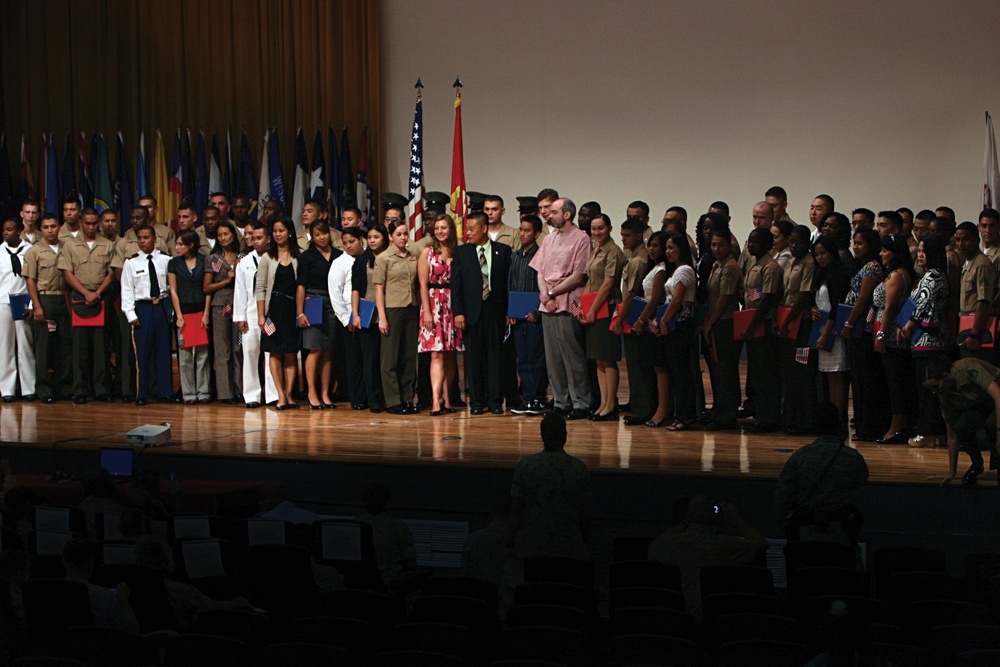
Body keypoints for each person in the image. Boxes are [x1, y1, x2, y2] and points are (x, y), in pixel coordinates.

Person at [647, 494, 767, 621]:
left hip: (671, 617)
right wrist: (735, 518)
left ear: (687, 515)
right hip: (710, 618)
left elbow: (656, 543)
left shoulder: (665, 543)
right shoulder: (723, 545)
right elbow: (761, 544)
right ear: (714, 518)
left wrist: (687, 520)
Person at [532, 198, 593, 419]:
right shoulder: (548, 239)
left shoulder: (581, 239)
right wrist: (544, 294)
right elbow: (540, 270)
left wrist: (552, 293)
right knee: (553, 357)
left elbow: (578, 276)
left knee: (572, 356)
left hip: (567, 301)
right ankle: (560, 401)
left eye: (554, 212)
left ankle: (581, 403)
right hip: (548, 303)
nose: (550, 215)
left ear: (567, 214)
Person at [775, 401, 868, 544]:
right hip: (842, 531)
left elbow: (784, 497)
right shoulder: (853, 458)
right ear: (838, 423)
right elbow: (861, 485)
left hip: (805, 530)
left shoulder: (800, 457)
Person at [506, 413, 592, 563]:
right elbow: (584, 510)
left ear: (542, 435)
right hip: (568, 542)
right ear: (565, 435)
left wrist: (510, 540)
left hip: (532, 542)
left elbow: (516, 508)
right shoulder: (577, 468)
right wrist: (585, 540)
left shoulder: (526, 465)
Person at [59, 207, 115, 403]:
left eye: (94, 223)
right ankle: (81, 391)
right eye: (87, 223)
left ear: (98, 223)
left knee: (101, 347)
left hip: (101, 296)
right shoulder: (70, 246)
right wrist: (86, 293)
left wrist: (97, 293)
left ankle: (101, 390)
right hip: (80, 296)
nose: (91, 227)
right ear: (81, 223)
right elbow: (67, 272)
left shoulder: (107, 244)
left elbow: (111, 273)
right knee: (80, 347)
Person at [901, 235, 952, 448]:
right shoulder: (934, 275)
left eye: (924, 250)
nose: (920, 254)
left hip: (928, 340)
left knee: (927, 390)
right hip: (928, 340)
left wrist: (907, 326)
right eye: (919, 250)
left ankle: (928, 433)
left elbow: (920, 306)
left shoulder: (933, 276)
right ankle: (935, 433)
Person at [840, 228, 890, 441]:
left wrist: (849, 324)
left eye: (860, 243)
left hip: (865, 328)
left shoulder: (872, 267)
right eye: (854, 242)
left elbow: (862, 299)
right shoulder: (861, 265)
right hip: (858, 328)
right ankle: (862, 426)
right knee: (858, 380)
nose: (855, 247)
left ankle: (869, 427)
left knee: (867, 379)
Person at [872, 233, 917, 444]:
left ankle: (897, 427)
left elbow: (889, 309)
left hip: (891, 336)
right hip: (890, 334)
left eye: (885, 250)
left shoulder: (897, 276)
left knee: (896, 383)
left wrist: (881, 334)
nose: (881, 254)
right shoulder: (897, 273)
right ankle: (898, 425)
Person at [417, 213, 463, 415]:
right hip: (433, 304)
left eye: (443, 227)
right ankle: (435, 400)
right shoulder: (427, 252)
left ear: (451, 229)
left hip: (453, 304)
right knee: (436, 353)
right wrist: (427, 312)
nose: (440, 231)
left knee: (450, 354)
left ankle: (448, 399)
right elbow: (422, 284)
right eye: (437, 228)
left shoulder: (458, 252)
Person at [121, 226, 173, 406]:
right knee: (142, 354)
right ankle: (141, 393)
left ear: (154, 239)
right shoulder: (131, 263)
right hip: (142, 308)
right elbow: (127, 290)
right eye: (140, 238)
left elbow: (172, 287)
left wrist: (171, 312)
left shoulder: (166, 260)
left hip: (161, 307)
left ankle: (165, 392)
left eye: (146, 237)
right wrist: (130, 314)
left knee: (163, 351)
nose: (143, 241)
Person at [579, 213, 624, 420]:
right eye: (594, 229)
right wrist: (583, 304)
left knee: (607, 358)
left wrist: (593, 309)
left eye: (601, 228)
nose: (596, 232)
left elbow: (607, 285)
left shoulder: (613, 251)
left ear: (610, 228)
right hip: (593, 308)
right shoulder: (596, 248)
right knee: (598, 358)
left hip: (606, 307)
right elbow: (590, 279)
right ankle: (603, 403)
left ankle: (611, 404)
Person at [23, 214, 71, 403]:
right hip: (45, 298)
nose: (50, 230)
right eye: (45, 227)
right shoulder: (34, 251)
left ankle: (64, 387)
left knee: (65, 345)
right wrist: (37, 306)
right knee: (43, 347)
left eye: (53, 226)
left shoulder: (67, 247)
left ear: (59, 227)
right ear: (40, 229)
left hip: (65, 298)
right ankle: (44, 389)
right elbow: (30, 280)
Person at [740, 227, 783, 433]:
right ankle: (760, 414)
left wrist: (750, 326)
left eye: (755, 242)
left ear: (767, 244)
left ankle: (769, 418)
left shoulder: (770, 266)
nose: (751, 245)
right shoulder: (754, 264)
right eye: (749, 241)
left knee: (766, 373)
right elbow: (751, 294)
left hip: (762, 323)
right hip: (752, 321)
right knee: (756, 373)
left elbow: (767, 299)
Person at [375, 220, 420, 415]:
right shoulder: (384, 258)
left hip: (411, 308)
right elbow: (379, 289)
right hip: (392, 308)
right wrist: (382, 317)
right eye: (399, 234)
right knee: (390, 359)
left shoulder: (412, 256)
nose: (403, 237)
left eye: (405, 234)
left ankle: (407, 398)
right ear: (390, 236)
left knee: (409, 357)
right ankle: (393, 400)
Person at [296, 220, 342, 409]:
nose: (322, 237)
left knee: (328, 351)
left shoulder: (339, 255)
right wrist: (300, 312)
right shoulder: (307, 257)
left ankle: (325, 393)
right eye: (317, 234)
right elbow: (301, 286)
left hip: (334, 302)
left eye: (324, 233)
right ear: (312, 237)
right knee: (314, 349)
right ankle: (311, 392)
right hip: (313, 300)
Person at [931, 357, 1000, 485]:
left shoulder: (967, 367)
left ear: (945, 376)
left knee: (992, 425)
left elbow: (997, 394)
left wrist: (999, 431)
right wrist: (952, 472)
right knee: (962, 427)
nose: (934, 392)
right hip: (982, 402)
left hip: (997, 396)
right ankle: (977, 463)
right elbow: (952, 435)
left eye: (935, 386)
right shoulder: (944, 393)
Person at [256, 217, 301, 410]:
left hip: (292, 310)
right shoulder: (267, 258)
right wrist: (261, 316)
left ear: (289, 232)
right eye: (274, 231)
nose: (277, 234)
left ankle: (290, 395)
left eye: (281, 230)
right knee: (274, 352)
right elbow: (261, 287)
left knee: (291, 352)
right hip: (274, 309)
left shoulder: (300, 256)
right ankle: (280, 395)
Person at [778, 225, 817, 435]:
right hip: (788, 322)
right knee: (790, 372)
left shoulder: (809, 263)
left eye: (799, 242)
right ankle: (790, 417)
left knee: (803, 371)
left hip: (803, 324)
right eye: (791, 242)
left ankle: (806, 420)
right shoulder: (791, 261)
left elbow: (803, 297)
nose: (794, 246)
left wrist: (786, 322)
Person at [234, 222, 278, 408]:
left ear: (268, 239)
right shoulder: (244, 262)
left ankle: (273, 394)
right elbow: (240, 290)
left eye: (259, 238)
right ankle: (252, 395)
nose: (256, 241)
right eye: (253, 238)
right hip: (251, 313)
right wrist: (240, 317)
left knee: (271, 353)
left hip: (271, 313)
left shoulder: (275, 259)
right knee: (250, 352)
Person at [703, 227, 743, 430]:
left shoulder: (730, 267)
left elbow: (724, 298)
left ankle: (727, 415)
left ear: (729, 246)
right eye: (713, 245)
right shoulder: (717, 265)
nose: (716, 248)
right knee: (718, 370)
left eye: (720, 245)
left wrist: (710, 323)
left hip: (725, 322)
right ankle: (719, 410)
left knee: (726, 370)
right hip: (716, 321)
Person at [509, 215, 549, 416]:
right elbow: (511, 285)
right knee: (522, 358)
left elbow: (547, 287)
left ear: (537, 234)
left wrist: (537, 311)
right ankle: (527, 397)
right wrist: (510, 312)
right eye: (521, 230)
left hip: (535, 316)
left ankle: (538, 398)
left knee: (536, 358)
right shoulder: (515, 256)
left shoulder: (542, 256)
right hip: (518, 316)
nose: (523, 234)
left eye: (527, 230)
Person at [810, 235, 852, 431]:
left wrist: (826, 333)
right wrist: (813, 309)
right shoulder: (820, 274)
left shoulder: (839, 273)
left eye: (823, 253)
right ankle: (831, 419)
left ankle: (840, 418)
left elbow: (837, 305)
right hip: (821, 328)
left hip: (833, 331)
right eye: (816, 254)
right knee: (826, 375)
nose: (819, 258)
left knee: (837, 375)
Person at [657, 234, 697, 430]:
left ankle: (684, 415)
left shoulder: (685, 271)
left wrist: (664, 319)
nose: (668, 251)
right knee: (676, 370)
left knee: (681, 372)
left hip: (681, 324)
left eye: (672, 247)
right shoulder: (674, 271)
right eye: (666, 248)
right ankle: (679, 413)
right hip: (673, 324)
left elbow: (677, 299)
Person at [632, 232, 672, 426]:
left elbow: (655, 298)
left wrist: (640, 319)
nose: (651, 249)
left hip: (653, 321)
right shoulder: (654, 267)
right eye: (650, 245)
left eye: (656, 245)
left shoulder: (662, 269)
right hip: (647, 323)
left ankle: (662, 409)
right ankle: (651, 407)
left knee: (659, 367)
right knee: (650, 366)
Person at [167, 229, 211, 404]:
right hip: (183, 313)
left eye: (180, 244)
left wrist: (206, 313)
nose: (177, 247)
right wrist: (178, 315)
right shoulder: (174, 263)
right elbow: (173, 290)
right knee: (184, 355)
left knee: (202, 354)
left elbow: (208, 288)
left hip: (201, 311)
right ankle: (189, 393)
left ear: (191, 245)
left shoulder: (203, 260)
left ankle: (204, 391)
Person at [202, 221, 243, 405]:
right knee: (222, 348)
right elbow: (207, 286)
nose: (223, 238)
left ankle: (240, 389)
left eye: (226, 234)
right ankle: (226, 393)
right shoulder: (215, 259)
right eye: (220, 235)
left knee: (238, 347)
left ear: (233, 235)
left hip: (240, 304)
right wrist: (226, 280)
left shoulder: (243, 256)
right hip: (220, 305)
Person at [62, 537, 140, 632]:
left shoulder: (49, 592)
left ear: (64, 562)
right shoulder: (104, 596)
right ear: (91, 563)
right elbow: (133, 630)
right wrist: (124, 600)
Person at [329, 226, 369, 410]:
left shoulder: (369, 259)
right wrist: (346, 318)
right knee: (353, 360)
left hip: (369, 315)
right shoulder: (339, 263)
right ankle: (357, 397)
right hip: (349, 319)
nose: (348, 246)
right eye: (344, 243)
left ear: (361, 239)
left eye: (351, 242)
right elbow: (335, 294)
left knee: (369, 357)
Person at [355, 483, 419, 590]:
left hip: (359, 587)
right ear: (387, 503)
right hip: (390, 587)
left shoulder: (354, 525)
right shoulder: (398, 527)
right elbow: (411, 565)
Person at [354, 225, 388, 413]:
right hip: (368, 313)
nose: (372, 240)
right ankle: (373, 398)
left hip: (387, 313)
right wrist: (355, 313)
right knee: (370, 358)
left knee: (385, 360)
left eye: (376, 236)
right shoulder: (361, 261)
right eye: (369, 237)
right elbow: (356, 289)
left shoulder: (391, 257)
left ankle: (386, 397)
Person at [0, 217, 35, 402]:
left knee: (25, 345)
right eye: (4, 230)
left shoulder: (29, 250)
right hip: (3, 301)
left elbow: (32, 279)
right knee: (5, 346)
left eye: (10, 229)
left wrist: (31, 304)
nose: (6, 233)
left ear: (19, 230)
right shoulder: (0, 251)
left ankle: (29, 387)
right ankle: (7, 390)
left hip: (22, 300)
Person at [955, 220, 996, 362]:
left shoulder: (981, 265)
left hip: (976, 329)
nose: (960, 244)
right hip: (965, 325)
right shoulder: (967, 263)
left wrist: (974, 334)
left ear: (976, 240)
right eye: (958, 240)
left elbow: (983, 302)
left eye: (966, 240)